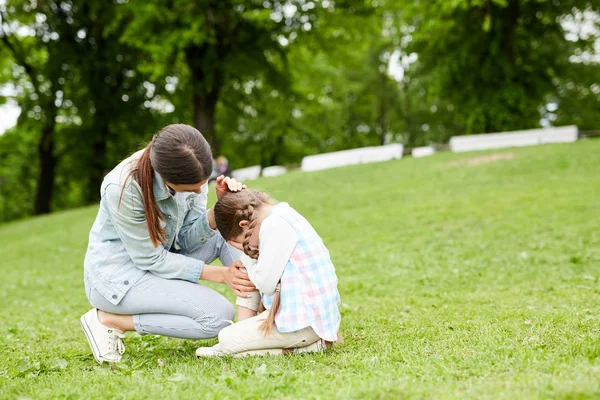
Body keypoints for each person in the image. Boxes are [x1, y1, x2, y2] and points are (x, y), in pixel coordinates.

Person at [80, 124, 255, 364]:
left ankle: (259, 316)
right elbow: (150, 259)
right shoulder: (122, 187)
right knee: (218, 318)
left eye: (202, 185)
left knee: (229, 226)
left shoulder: (191, 169)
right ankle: (107, 319)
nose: (198, 191)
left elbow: (183, 239)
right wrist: (221, 274)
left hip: (164, 259)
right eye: (191, 189)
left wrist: (219, 211)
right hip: (121, 278)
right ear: (166, 178)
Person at [196, 190, 341, 357]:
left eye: (241, 242)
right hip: (311, 319)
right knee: (232, 337)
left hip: (305, 325)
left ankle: (308, 347)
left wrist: (246, 255)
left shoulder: (275, 226)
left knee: (226, 339)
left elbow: (265, 284)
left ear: (244, 224)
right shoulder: (281, 214)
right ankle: (249, 340)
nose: (246, 247)